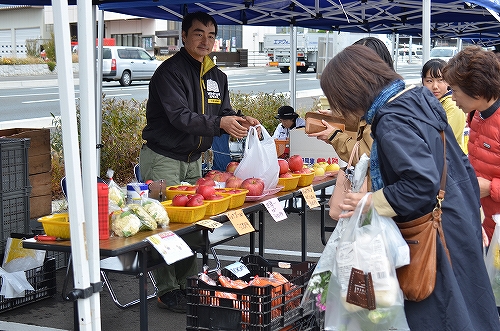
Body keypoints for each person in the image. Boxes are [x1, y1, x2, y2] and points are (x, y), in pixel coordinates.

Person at [321, 44, 500, 330]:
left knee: (443, 313)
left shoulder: (393, 119)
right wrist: (471, 211)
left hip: (433, 235)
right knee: (470, 308)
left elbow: (420, 184)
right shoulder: (416, 99)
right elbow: (457, 163)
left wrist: (370, 201)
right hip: (455, 219)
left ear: (350, 91)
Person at [139, 11, 259, 313]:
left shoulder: (217, 76)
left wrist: (240, 119)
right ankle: (167, 289)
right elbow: (180, 117)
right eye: (198, 33)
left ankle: (189, 282)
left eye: (210, 35)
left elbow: (222, 111)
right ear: (183, 36)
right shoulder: (170, 72)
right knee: (163, 224)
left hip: (194, 161)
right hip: (164, 158)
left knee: (192, 223)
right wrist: (220, 124)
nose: (205, 40)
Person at [442, 46, 500, 243]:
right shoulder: (476, 115)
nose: (452, 97)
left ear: (476, 89)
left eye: (455, 90)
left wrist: (492, 187)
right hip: (488, 225)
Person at [307, 37, 393, 167]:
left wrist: (334, 136)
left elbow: (367, 156)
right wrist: (341, 119)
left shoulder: (383, 106)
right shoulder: (382, 97)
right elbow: (365, 123)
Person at [421, 58, 466, 152]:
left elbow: (443, 139)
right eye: (429, 81)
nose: (435, 86)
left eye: (440, 80)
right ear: (423, 82)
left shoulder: (453, 105)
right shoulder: (427, 102)